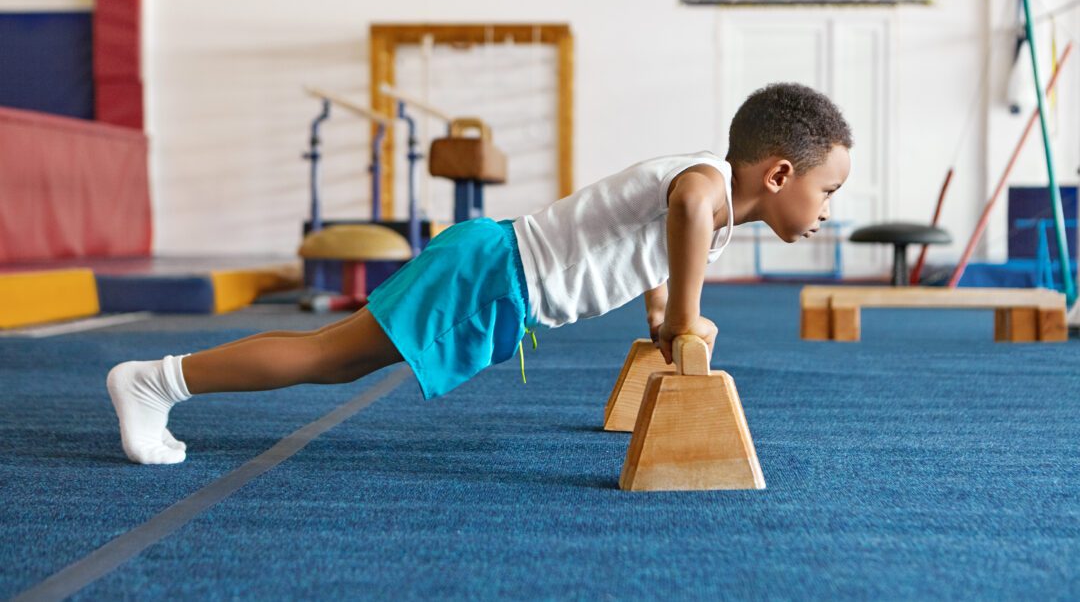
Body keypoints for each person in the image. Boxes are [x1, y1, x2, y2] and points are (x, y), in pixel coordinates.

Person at [107, 82, 853, 464]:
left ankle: (160, 380)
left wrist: (660, 314)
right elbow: (685, 208)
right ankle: (155, 381)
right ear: (780, 173)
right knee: (330, 356)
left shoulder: (710, 201)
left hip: (494, 273)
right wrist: (688, 315)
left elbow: (661, 238)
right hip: (491, 272)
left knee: (335, 357)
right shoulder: (705, 185)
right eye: (828, 192)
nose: (827, 212)